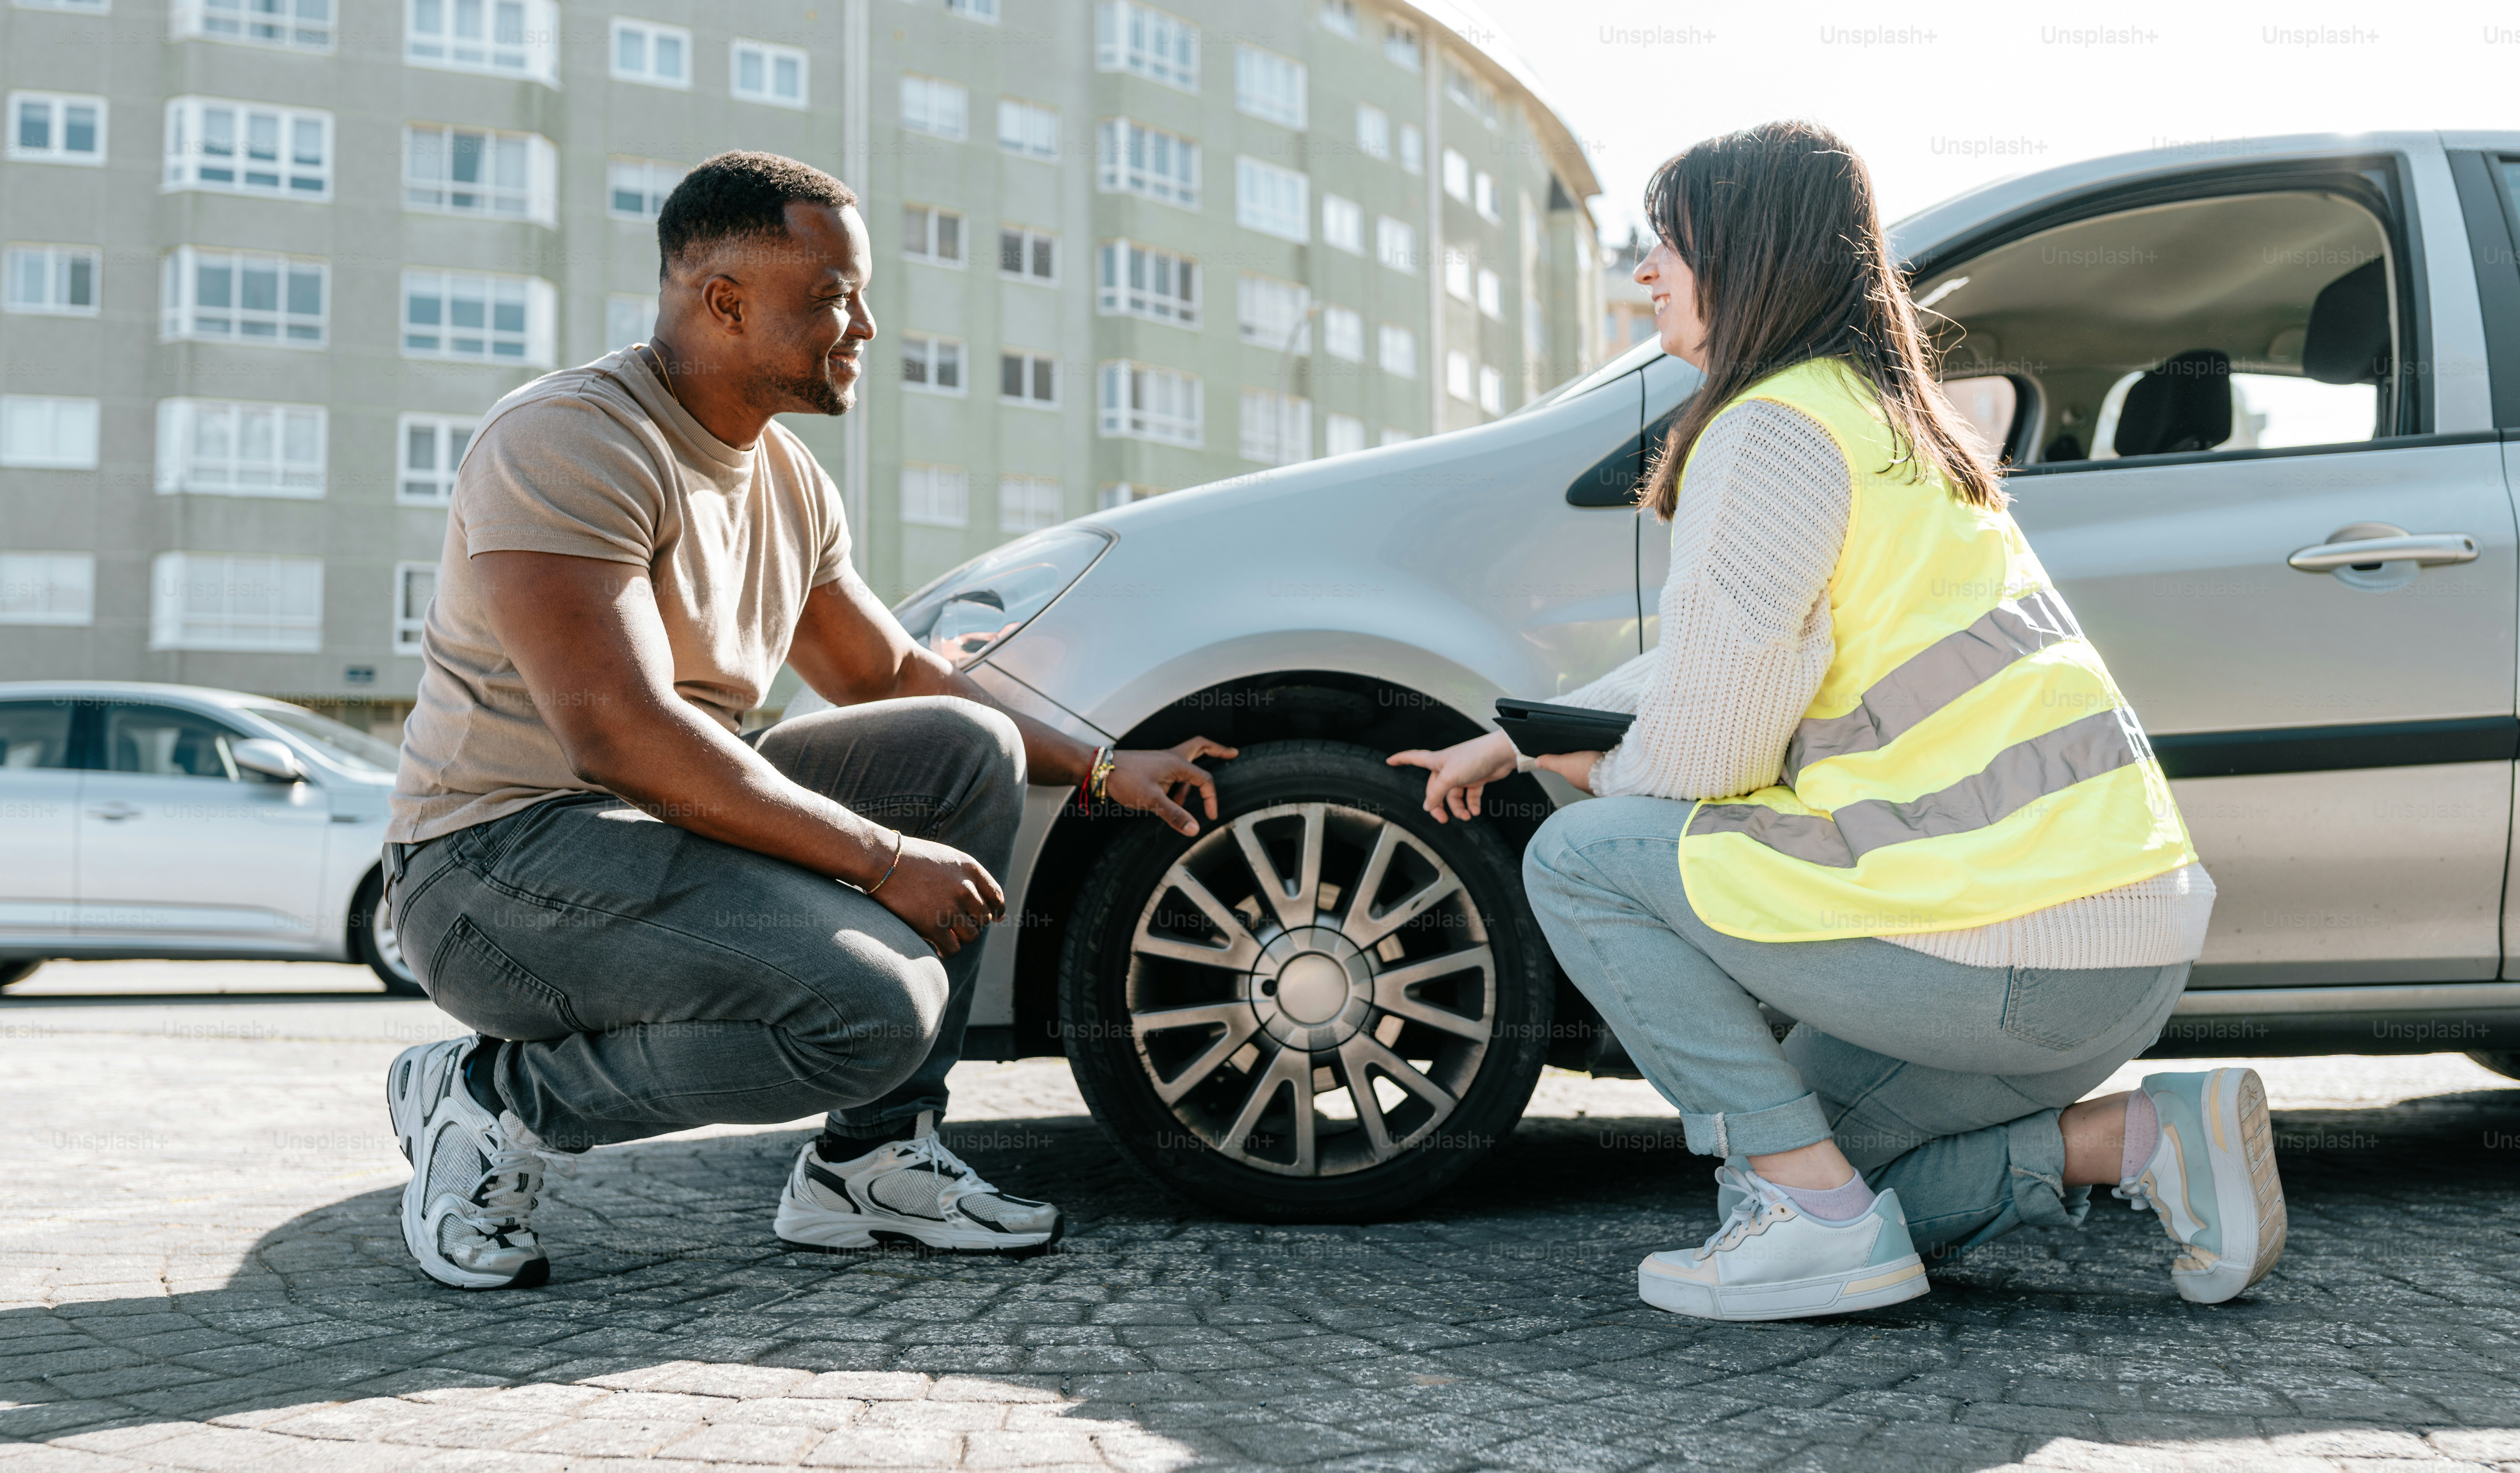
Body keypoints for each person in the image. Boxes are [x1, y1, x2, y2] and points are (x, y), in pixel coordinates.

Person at [1390, 121, 2282, 1321]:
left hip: (2005, 949)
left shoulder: (1768, 430)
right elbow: (1726, 657)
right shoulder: (1881, 420)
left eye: (1673, 247)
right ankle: (2139, 1139)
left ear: (1750, 257)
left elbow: (1706, 754)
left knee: (1582, 863)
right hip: (2109, 948)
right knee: (1825, 1160)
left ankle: (1806, 1219)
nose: (1645, 273)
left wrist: (1589, 779)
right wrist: (1519, 738)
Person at [380, 152, 1233, 1291]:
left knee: (959, 749)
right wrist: (880, 861)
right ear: (721, 301)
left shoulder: (785, 476)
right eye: (833, 295)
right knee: (873, 1008)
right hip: (494, 870)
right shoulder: (570, 441)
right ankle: (494, 1101)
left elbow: (886, 672)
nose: (865, 325)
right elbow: (618, 736)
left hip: (656, 835)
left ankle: (873, 1161)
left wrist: (1102, 767)